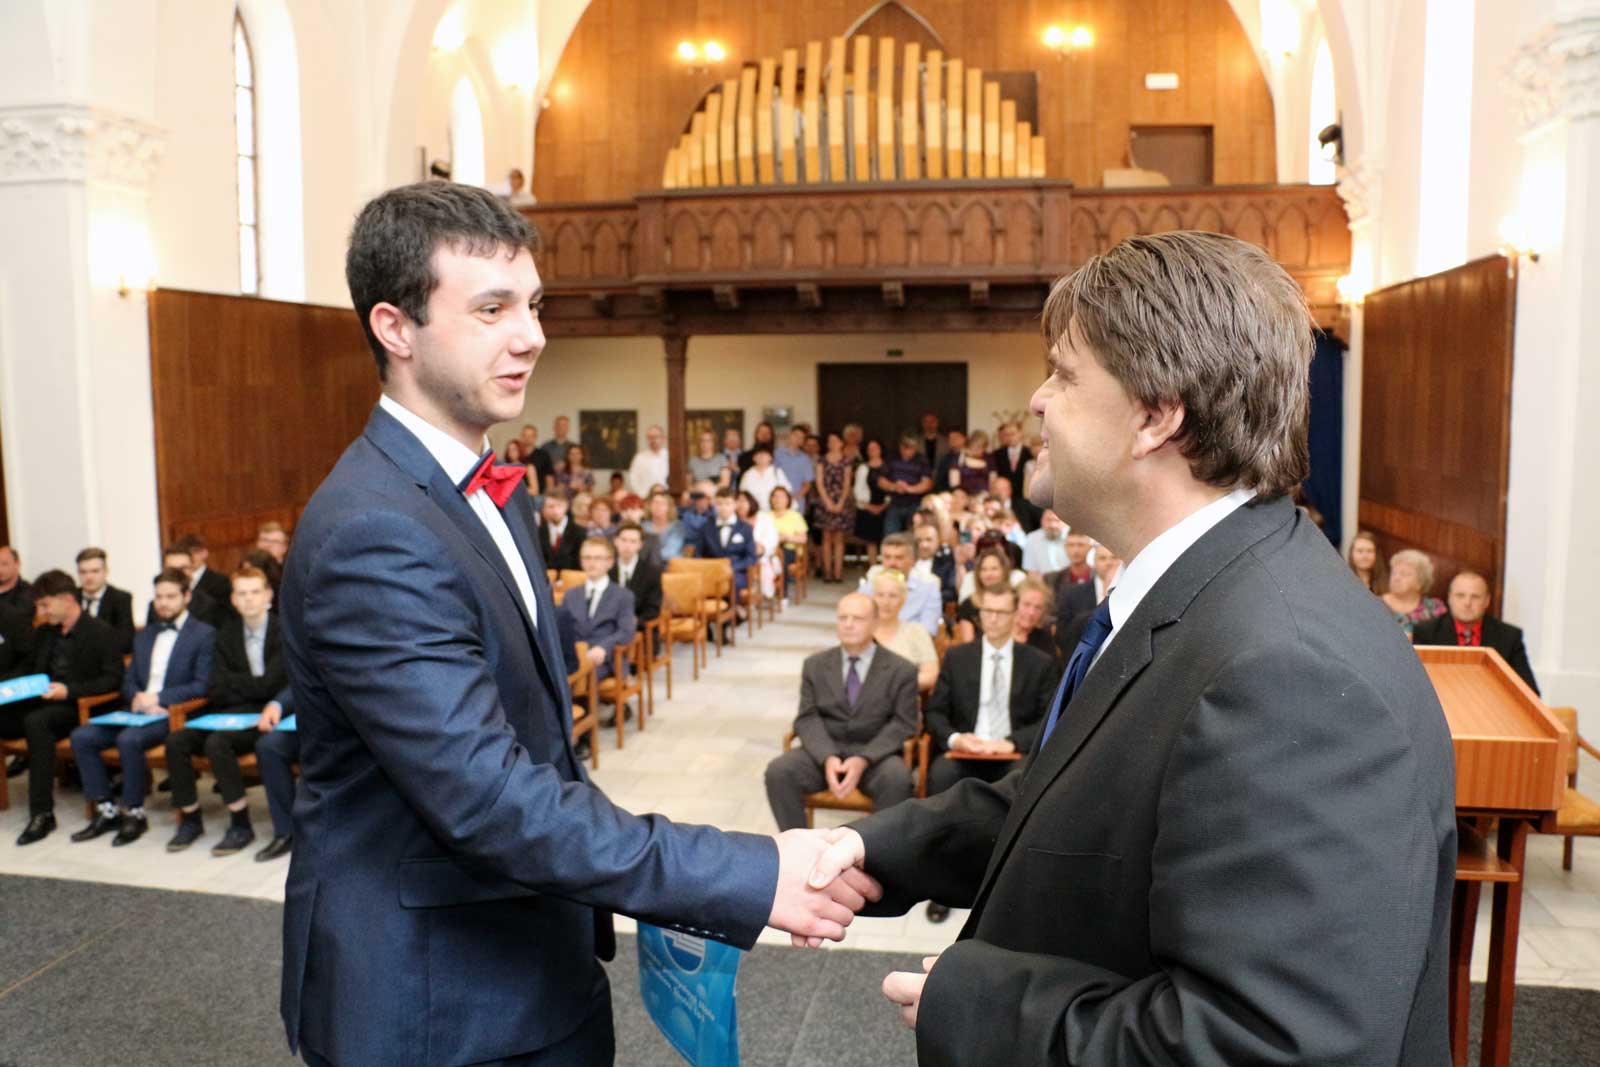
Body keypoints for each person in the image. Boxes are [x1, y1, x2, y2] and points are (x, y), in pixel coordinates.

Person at [807, 231, 1457, 1063]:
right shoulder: (1205, 588)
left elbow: (1264, 1045)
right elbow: (1082, 802)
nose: (1038, 401)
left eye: (1064, 374)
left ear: (1155, 416)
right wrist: (875, 847)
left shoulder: (1287, 675)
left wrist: (977, 1004)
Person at [282, 182, 871, 1065]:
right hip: (437, 1001)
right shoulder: (374, 530)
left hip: (537, 955)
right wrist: (741, 873)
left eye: (534, 304)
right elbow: (487, 798)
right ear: (395, 328)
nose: (532, 335)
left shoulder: (492, 493)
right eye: (492, 309)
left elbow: (541, 750)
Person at [69, 567, 215, 847]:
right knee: (82, 736)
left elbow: (202, 685)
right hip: (137, 710)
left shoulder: (204, 634)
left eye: (171, 597)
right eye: (159, 597)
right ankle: (105, 809)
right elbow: (129, 679)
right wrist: (136, 697)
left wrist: (160, 699)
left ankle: (134, 812)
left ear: (186, 597)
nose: (163, 603)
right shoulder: (145, 635)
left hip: (173, 713)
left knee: (129, 739)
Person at [763, 592, 918, 832]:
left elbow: (903, 723)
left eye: (857, 618)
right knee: (779, 772)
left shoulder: (901, 669)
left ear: (875, 623)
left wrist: (863, 759)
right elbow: (807, 717)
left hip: (875, 755)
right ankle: (801, 845)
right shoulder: (815, 665)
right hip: (824, 751)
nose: (848, 624)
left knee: (898, 779)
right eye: (842, 617)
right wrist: (828, 757)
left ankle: (877, 849)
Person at [163, 565, 286, 855]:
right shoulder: (226, 633)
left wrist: (244, 684)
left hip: (268, 715)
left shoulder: (283, 631)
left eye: (255, 592)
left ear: (268, 595)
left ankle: (240, 823)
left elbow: (274, 685)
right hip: (230, 712)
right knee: (177, 740)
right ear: (233, 599)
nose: (249, 599)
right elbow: (217, 685)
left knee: (217, 743)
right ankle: (190, 819)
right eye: (241, 593)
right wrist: (256, 685)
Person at [1, 570, 124, 845]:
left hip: (80, 705)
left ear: (67, 599)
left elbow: (113, 680)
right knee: (22, 717)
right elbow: (30, 669)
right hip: (44, 700)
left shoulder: (100, 632)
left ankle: (42, 812)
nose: (41, 612)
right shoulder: (45, 633)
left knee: (37, 723)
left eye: (45, 605)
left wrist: (69, 691)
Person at [1413, 570, 1540, 691]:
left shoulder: (1509, 636)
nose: (1467, 603)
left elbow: (1529, 690)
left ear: (1487, 601)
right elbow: (1417, 685)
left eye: (1475, 597)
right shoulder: (1427, 632)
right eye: (1460, 596)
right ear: (1449, 598)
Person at [561, 537, 637, 688]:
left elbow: (626, 631)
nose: (592, 563)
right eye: (587, 558)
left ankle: (580, 702)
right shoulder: (571, 595)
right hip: (576, 654)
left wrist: (604, 647)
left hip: (606, 658)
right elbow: (564, 630)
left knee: (584, 675)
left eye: (597, 558)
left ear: (609, 562)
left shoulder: (623, 595)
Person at [858, 533, 941, 636]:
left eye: (899, 558)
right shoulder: (871, 586)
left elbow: (929, 631)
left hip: (911, 642)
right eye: (887, 557)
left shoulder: (929, 588)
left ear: (913, 561)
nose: (892, 563)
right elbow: (857, 621)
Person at [869, 571, 938, 693]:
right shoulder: (862, 630)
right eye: (880, 595)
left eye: (893, 596)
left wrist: (896, 686)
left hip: (904, 697)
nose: (886, 602)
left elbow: (931, 674)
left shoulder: (916, 631)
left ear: (903, 600)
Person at [252, 685, 298, 862]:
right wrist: (277, 705)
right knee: (269, 746)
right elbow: (305, 679)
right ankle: (286, 832)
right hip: (316, 719)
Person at [1055, 542, 1122, 656]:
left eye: (1114, 558)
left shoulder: (1133, 591)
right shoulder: (1072, 593)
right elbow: (1063, 635)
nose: (1109, 563)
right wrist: (1104, 603)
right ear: (1094, 563)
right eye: (1102, 558)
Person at [698, 487, 759, 603]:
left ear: (735, 505)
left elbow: (751, 557)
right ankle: (710, 611)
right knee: (700, 581)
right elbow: (699, 554)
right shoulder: (706, 527)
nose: (723, 507)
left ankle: (731, 611)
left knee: (733, 581)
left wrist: (732, 568)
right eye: (719, 503)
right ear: (715, 505)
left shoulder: (745, 528)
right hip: (712, 570)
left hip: (737, 571)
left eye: (727, 503)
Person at [954, 547, 1026, 640]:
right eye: (983, 569)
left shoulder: (1017, 600)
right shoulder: (968, 604)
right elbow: (968, 643)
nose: (988, 574)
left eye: (994, 569)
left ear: (1004, 571)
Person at [812, 432, 856, 582]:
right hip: (825, 500)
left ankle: (838, 573)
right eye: (830, 441)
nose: (832, 443)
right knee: (826, 537)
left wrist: (841, 502)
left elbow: (847, 483)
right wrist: (828, 502)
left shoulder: (847, 461)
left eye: (835, 441)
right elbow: (819, 482)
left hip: (841, 500)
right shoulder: (821, 460)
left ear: (841, 443)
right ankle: (827, 573)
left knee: (839, 538)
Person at [76, 547, 136, 655]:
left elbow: (126, 642)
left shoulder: (121, 599)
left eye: (95, 571)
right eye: (83, 572)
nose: (89, 577)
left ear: (106, 571)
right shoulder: (72, 598)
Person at [1383, 547, 1448, 638]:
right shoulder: (1374, 604)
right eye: (1394, 573)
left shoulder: (1434, 608)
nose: (1396, 578)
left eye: (1404, 574)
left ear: (1420, 582)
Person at [878, 433, 934, 536]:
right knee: (890, 534)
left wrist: (908, 489)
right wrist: (894, 487)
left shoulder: (922, 460)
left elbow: (927, 484)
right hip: (894, 503)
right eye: (906, 448)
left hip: (914, 504)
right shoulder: (892, 458)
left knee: (915, 534)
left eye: (912, 448)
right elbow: (881, 480)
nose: (908, 451)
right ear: (900, 447)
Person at [759, 486, 808, 600]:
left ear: (787, 499)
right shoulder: (765, 516)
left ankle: (782, 593)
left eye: (781, 497)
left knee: (782, 557)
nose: (778, 499)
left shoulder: (795, 516)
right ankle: (763, 591)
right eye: (775, 496)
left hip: (789, 550)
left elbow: (803, 539)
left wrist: (787, 537)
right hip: (770, 549)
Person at [176, 532, 236, 621]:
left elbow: (227, 616)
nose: (191, 557)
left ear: (205, 553)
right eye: (186, 553)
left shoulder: (221, 582)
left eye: (194, 552)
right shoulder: (176, 581)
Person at [611, 522, 662, 626]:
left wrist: (636, 621)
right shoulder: (606, 569)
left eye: (633, 541)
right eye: (624, 540)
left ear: (640, 545)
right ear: (616, 541)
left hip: (639, 626)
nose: (627, 546)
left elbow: (653, 608)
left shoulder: (652, 572)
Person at [911, 519, 960, 605]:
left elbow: (951, 593)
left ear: (938, 541)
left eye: (929, 540)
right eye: (919, 540)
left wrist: (925, 598)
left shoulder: (947, 562)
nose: (924, 545)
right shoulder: (905, 561)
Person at [1011, 577, 1059, 661]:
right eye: (1026, 605)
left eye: (1038, 608)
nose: (1031, 612)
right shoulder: (998, 633)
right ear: (1014, 604)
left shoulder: (1045, 640)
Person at [537, 490, 583, 571]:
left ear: (566, 506)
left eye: (559, 506)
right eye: (551, 506)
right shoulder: (538, 532)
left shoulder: (580, 532)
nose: (556, 511)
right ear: (543, 508)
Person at [738, 445, 791, 510]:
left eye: (765, 454)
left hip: (774, 511)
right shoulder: (747, 475)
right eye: (759, 454)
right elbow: (742, 495)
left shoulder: (777, 473)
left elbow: (786, 491)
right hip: (754, 512)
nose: (762, 457)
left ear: (771, 458)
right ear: (753, 458)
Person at [773, 425, 815, 504]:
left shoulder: (805, 459)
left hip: (797, 501)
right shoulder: (776, 454)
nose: (797, 439)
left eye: (801, 437)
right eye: (796, 435)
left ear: (803, 441)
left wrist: (795, 498)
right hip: (778, 501)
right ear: (790, 435)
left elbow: (807, 484)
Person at [1020, 509, 1069, 577]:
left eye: (1057, 520)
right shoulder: (1032, 539)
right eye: (1048, 520)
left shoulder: (1073, 538)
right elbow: (1032, 571)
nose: (1052, 525)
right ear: (1042, 521)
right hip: (1042, 582)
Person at [644, 490, 688, 560]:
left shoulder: (677, 526)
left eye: (662, 504)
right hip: (648, 563)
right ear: (649, 506)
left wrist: (648, 556)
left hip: (670, 564)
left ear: (669, 507)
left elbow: (670, 551)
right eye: (655, 503)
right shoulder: (643, 526)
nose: (658, 506)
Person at [627, 424, 669, 497]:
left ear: (663, 438)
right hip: (646, 497)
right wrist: (642, 495)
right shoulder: (639, 458)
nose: (653, 440)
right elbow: (633, 479)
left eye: (655, 437)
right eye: (650, 438)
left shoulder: (669, 456)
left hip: (666, 497)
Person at [949, 429, 992, 495]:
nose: (979, 449)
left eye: (982, 447)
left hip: (984, 494)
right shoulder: (958, 458)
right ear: (970, 444)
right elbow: (954, 484)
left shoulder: (988, 458)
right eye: (976, 446)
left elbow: (992, 480)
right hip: (963, 494)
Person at [0, 546, 36, 618]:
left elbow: (18, 616)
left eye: (4, 564)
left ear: (17, 564)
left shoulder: (27, 590)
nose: (0, 569)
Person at [1348, 529, 1387, 594]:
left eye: (1369, 551)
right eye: (1360, 551)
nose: (1365, 556)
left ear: (1376, 554)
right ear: (1351, 554)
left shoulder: (1386, 584)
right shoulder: (1343, 581)